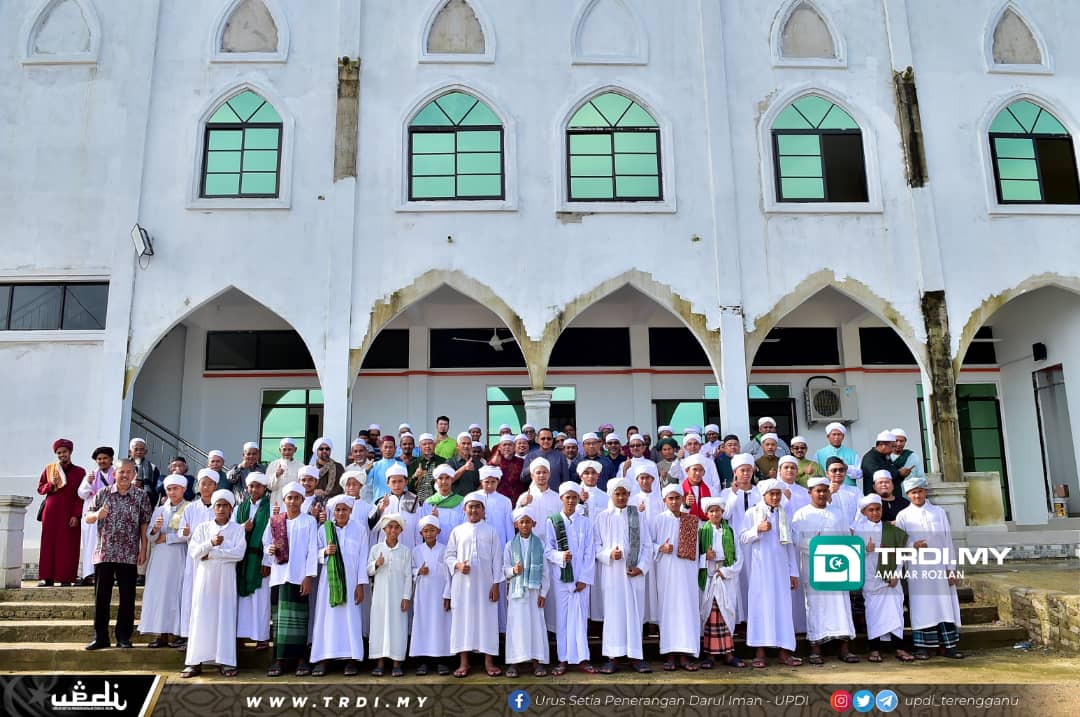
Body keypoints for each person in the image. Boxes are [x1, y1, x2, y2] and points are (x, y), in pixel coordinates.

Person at [83, 458, 151, 650]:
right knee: (101, 598)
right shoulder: (103, 493)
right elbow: (88, 517)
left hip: (129, 554)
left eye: (129, 472)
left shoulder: (141, 496)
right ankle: (100, 637)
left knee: (127, 597)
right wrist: (97, 515)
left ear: (134, 475)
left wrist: (143, 549)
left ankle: (123, 637)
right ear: (115, 474)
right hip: (104, 552)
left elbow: (144, 523)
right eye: (122, 472)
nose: (125, 475)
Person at [894, 476, 964, 660]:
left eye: (919, 491)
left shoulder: (938, 512)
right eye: (913, 493)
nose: (917, 495)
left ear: (925, 492)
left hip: (939, 566)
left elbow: (947, 541)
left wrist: (951, 568)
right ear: (908, 495)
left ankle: (949, 647)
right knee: (922, 606)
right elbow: (899, 543)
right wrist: (912, 545)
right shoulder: (903, 515)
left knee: (944, 605)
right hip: (917, 569)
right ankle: (923, 648)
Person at [792, 477, 859, 665]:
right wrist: (819, 546)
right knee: (816, 606)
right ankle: (815, 649)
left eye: (824, 490)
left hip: (837, 566)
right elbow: (797, 541)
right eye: (818, 491)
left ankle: (844, 648)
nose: (821, 494)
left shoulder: (838, 514)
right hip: (814, 567)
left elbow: (846, 539)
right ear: (810, 493)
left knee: (841, 606)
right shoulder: (801, 515)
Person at [181, 489, 245, 677]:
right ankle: (195, 662)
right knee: (201, 617)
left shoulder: (237, 529)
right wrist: (210, 543)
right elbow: (195, 552)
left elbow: (238, 554)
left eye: (225, 505)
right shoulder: (203, 528)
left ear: (231, 508)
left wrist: (212, 554)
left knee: (224, 618)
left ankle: (225, 661)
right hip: (205, 581)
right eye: (218, 505)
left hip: (226, 582)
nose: (222, 509)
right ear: (214, 508)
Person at [593, 477, 653, 674]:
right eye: (617, 494)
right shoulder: (603, 517)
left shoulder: (638, 516)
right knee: (614, 614)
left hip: (633, 575)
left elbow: (647, 546)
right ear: (611, 495)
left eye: (624, 494)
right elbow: (596, 546)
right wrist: (609, 554)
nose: (620, 497)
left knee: (634, 614)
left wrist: (641, 567)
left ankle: (636, 657)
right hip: (612, 574)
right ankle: (613, 657)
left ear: (629, 494)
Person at [740, 479, 802, 668]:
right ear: (764, 495)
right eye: (771, 494)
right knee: (760, 607)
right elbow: (742, 537)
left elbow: (789, 545)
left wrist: (793, 572)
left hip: (781, 570)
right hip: (761, 570)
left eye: (778, 494)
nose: (775, 497)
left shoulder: (784, 515)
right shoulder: (752, 513)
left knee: (783, 608)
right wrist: (757, 530)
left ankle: (784, 652)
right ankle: (759, 652)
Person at [310, 494, 370, 677]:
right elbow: (313, 554)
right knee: (326, 619)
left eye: (345, 509)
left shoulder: (359, 529)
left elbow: (363, 558)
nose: (341, 513)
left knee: (351, 619)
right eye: (337, 510)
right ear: (333, 512)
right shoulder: (324, 530)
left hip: (352, 583)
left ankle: (351, 659)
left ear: (351, 511)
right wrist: (324, 552)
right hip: (329, 583)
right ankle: (324, 658)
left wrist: (360, 584)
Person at [264, 481, 319, 677]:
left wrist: (308, 577)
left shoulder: (309, 521)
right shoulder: (275, 520)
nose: (293, 501)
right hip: (279, 576)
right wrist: (270, 549)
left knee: (299, 620)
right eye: (290, 498)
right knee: (279, 621)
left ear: (302, 500)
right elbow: (266, 543)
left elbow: (312, 550)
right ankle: (278, 660)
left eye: (297, 498)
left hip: (299, 577)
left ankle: (301, 660)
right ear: (284, 500)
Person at [446, 491, 503, 677]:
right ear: (464, 509)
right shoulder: (457, 531)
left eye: (477, 507)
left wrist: (496, 585)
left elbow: (497, 560)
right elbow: (448, 556)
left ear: (483, 510)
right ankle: (464, 663)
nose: (474, 510)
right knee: (463, 620)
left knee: (487, 620)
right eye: (470, 507)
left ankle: (489, 662)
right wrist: (458, 565)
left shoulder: (491, 531)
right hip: (463, 585)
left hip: (486, 585)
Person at [853, 493, 914, 663]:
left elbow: (900, 554)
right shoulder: (857, 531)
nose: (875, 513)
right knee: (874, 614)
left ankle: (899, 648)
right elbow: (851, 555)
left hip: (891, 580)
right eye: (871, 510)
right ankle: (874, 649)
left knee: (896, 613)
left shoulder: (890, 529)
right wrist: (865, 550)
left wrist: (896, 574)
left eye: (878, 509)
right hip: (871, 580)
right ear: (864, 512)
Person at [544, 482, 596, 675]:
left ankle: (583, 659)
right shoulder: (553, 521)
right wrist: (560, 556)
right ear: (561, 498)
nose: (571, 501)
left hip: (581, 580)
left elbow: (590, 552)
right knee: (563, 619)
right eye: (568, 497)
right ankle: (563, 659)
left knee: (580, 619)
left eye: (574, 497)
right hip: (562, 579)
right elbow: (548, 550)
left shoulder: (585, 522)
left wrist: (585, 578)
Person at [650, 483, 701, 671]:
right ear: (664, 500)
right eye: (670, 498)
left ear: (682, 499)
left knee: (687, 610)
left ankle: (685, 655)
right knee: (669, 610)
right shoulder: (658, 520)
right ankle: (670, 654)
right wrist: (660, 548)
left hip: (687, 573)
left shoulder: (691, 520)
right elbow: (648, 544)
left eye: (677, 498)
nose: (674, 501)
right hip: (667, 573)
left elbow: (697, 550)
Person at [139, 474, 189, 648]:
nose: (172, 492)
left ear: (183, 489)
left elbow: (188, 533)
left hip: (178, 556)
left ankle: (177, 633)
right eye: (169, 489)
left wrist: (167, 537)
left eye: (176, 489)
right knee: (159, 594)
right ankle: (161, 633)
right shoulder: (160, 509)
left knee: (176, 593)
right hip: (160, 558)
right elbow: (150, 536)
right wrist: (155, 530)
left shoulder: (189, 508)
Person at [697, 497, 745, 669]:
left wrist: (726, 572)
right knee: (710, 615)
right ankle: (710, 655)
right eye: (711, 511)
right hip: (710, 578)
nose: (715, 514)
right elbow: (694, 557)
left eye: (717, 510)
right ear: (706, 514)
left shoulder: (730, 531)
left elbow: (739, 557)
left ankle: (729, 654)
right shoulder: (702, 532)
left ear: (722, 512)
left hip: (726, 577)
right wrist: (706, 557)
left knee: (727, 614)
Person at [503, 507, 550, 678]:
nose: (524, 525)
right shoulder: (510, 545)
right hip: (517, 593)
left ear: (533, 524)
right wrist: (513, 570)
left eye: (528, 522)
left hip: (534, 592)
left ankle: (537, 661)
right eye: (521, 522)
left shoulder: (540, 544)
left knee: (536, 625)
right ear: (516, 524)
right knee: (516, 626)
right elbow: (504, 569)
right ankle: (514, 662)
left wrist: (543, 593)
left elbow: (545, 572)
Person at [515, 457, 561, 632]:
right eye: (538, 472)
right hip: (529, 549)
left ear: (549, 474)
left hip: (551, 549)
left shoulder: (557, 498)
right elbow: (516, 520)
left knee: (551, 589)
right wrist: (522, 505)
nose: (541, 476)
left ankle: (551, 629)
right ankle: (534, 630)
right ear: (532, 475)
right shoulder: (524, 497)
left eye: (544, 472)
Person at [175, 469, 219, 649]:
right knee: (191, 595)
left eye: (210, 484)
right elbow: (179, 531)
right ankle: (189, 636)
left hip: (214, 559)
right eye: (203, 483)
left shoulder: (221, 506)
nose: (206, 487)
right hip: (194, 559)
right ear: (198, 486)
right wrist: (184, 533)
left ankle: (210, 637)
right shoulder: (189, 508)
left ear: (215, 486)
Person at [367, 514, 413, 677]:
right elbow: (368, 571)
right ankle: (380, 663)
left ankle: (397, 663)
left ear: (401, 530)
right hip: (380, 596)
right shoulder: (376, 549)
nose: (393, 530)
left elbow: (408, 576)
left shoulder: (405, 551)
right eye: (390, 527)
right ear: (384, 529)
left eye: (396, 527)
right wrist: (376, 564)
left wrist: (406, 597)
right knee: (380, 627)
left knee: (398, 628)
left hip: (398, 597)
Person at [37, 438, 86, 587]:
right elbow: (40, 488)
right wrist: (50, 485)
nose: (62, 455)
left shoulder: (80, 472)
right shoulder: (49, 469)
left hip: (69, 513)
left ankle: (66, 578)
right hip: (51, 512)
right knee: (48, 544)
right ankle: (46, 577)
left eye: (64, 452)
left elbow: (80, 496)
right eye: (59, 452)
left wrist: (76, 515)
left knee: (68, 545)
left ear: (70, 452)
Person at [410, 515, 452, 676]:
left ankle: (442, 660)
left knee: (441, 625)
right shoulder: (416, 551)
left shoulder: (445, 550)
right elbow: (410, 570)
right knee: (423, 625)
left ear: (438, 531)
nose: (429, 534)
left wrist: (448, 595)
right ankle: (423, 661)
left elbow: (450, 575)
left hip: (440, 595)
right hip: (423, 595)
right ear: (421, 533)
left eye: (432, 530)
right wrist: (418, 571)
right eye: (426, 531)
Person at [235, 473, 272, 650]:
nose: (254, 489)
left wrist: (267, 561)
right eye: (251, 486)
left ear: (264, 488)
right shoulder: (240, 508)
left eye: (258, 486)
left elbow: (272, 536)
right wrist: (243, 528)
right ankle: (241, 635)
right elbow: (231, 530)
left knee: (260, 599)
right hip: (242, 559)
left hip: (260, 558)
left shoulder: (271, 508)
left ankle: (261, 637)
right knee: (242, 599)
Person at [78, 447, 115, 585]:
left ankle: (109, 575)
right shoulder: (91, 475)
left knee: (109, 543)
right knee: (91, 544)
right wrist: (88, 482)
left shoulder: (117, 474)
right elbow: (81, 494)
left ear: (111, 459)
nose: (102, 461)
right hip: (92, 515)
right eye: (99, 459)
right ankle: (90, 574)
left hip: (110, 514)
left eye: (105, 458)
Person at [372, 465, 420, 549]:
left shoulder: (414, 500)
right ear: (388, 483)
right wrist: (381, 509)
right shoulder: (381, 501)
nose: (397, 485)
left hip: (409, 547)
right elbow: (373, 529)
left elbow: (418, 528)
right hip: (386, 549)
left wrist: (418, 548)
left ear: (406, 482)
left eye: (400, 481)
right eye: (393, 482)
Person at [418, 465, 464, 544]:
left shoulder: (461, 502)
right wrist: (433, 519)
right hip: (435, 546)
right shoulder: (429, 503)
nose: (444, 481)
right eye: (440, 478)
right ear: (436, 481)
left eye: (447, 478)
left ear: (452, 479)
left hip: (457, 544)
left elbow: (465, 526)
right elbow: (424, 528)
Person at [364, 436, 404, 503]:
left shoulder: (401, 465)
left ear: (395, 448)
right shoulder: (375, 465)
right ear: (381, 448)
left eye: (390, 447)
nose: (388, 450)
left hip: (397, 501)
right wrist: (367, 471)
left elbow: (404, 485)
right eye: (385, 447)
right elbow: (366, 482)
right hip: (379, 501)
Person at [489, 435, 526, 506]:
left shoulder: (521, 462)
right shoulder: (494, 461)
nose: (507, 447)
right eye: (504, 445)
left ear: (514, 447)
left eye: (510, 445)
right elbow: (486, 479)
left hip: (518, 501)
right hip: (498, 501)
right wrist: (492, 464)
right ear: (500, 447)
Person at [408, 433, 445, 502]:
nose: (427, 446)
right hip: (418, 502)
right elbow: (409, 486)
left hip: (438, 501)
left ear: (434, 445)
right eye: (424, 444)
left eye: (430, 443)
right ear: (420, 447)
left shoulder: (442, 461)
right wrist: (415, 475)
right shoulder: (414, 463)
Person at [265, 438, 302, 506]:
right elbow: (268, 486)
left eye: (289, 449)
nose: (287, 452)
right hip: (277, 502)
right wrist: (276, 475)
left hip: (294, 503)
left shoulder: (301, 466)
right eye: (284, 449)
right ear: (280, 450)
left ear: (295, 450)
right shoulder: (273, 465)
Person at [861, 431, 900, 495]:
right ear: (882, 445)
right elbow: (882, 476)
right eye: (893, 446)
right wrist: (899, 473)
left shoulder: (885, 456)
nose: (894, 450)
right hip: (877, 497)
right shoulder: (870, 458)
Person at [824, 458, 859, 527]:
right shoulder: (821, 492)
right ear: (827, 473)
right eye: (834, 470)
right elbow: (819, 512)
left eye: (841, 470)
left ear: (845, 472)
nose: (838, 473)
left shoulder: (856, 491)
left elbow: (861, 512)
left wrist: (853, 528)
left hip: (853, 531)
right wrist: (829, 494)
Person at [128, 438, 161, 506]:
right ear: (130, 452)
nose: (139, 452)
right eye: (136, 449)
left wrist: (142, 486)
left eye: (142, 449)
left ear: (145, 452)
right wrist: (130, 485)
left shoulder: (153, 468)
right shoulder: (123, 466)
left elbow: (156, 489)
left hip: (145, 504)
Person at [681, 454, 712, 522]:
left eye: (701, 470)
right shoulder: (679, 490)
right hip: (688, 525)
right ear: (687, 471)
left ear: (704, 473)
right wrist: (686, 505)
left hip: (705, 525)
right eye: (694, 469)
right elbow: (676, 516)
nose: (698, 473)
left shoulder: (710, 490)